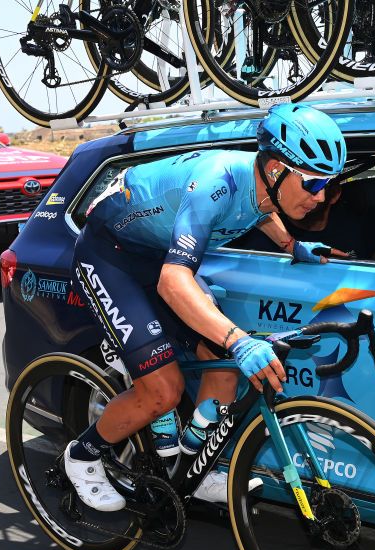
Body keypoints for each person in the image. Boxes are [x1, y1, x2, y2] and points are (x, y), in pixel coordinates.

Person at [65, 103, 347, 511]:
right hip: (110, 256)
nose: (321, 198)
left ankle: (198, 468)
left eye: (330, 186)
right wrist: (240, 341)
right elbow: (173, 281)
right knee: (163, 391)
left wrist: (292, 246)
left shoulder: (264, 187)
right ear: (274, 170)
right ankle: (83, 455)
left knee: (221, 367)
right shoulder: (214, 184)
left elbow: (260, 211)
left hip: (157, 254)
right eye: (315, 185)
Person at [235, 174, 375, 259]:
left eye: (322, 187)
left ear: (335, 195)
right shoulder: (260, 235)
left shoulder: (359, 227)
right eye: (309, 184)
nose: (319, 197)